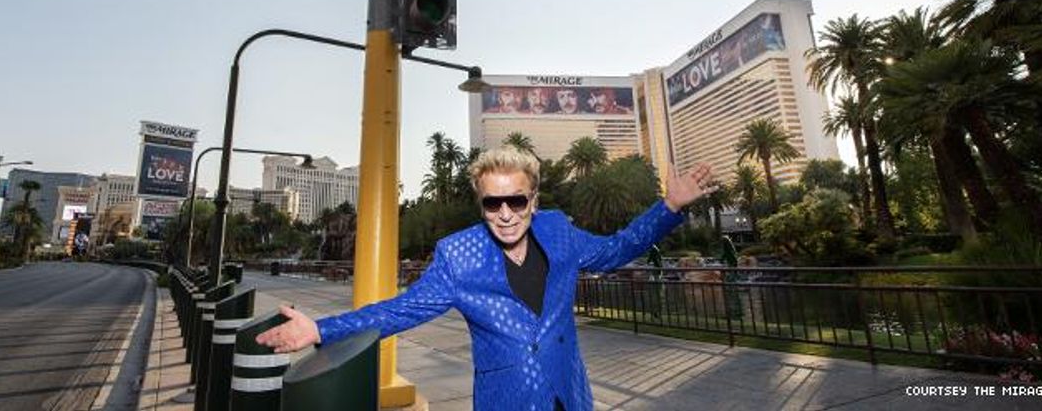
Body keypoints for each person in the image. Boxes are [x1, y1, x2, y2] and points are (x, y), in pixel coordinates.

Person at [256, 147, 717, 410]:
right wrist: (320, 329)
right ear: (481, 205)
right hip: (506, 399)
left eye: (517, 201)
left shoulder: (558, 231)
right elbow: (400, 310)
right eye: (493, 203)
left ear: (534, 200)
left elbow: (615, 250)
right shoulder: (459, 256)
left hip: (569, 394)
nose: (506, 214)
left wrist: (669, 207)